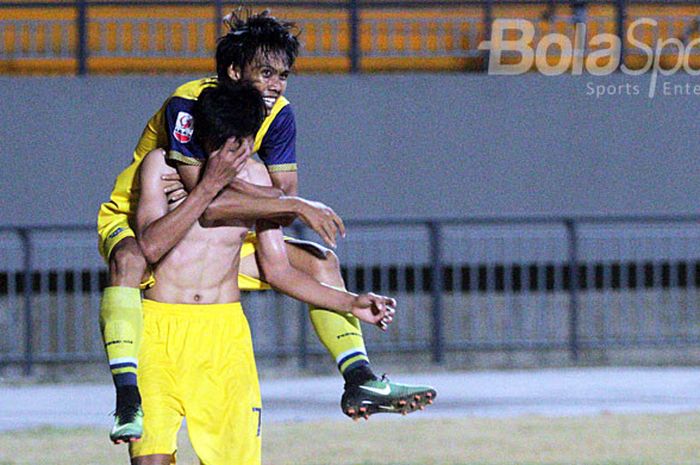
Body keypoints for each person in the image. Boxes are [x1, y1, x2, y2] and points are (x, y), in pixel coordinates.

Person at [97, 9, 435, 443]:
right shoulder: (189, 103)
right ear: (235, 72)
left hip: (216, 234)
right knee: (128, 260)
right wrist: (288, 201)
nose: (276, 84)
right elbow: (207, 197)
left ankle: (359, 377)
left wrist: (290, 208)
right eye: (266, 73)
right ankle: (128, 399)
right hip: (143, 219)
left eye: (283, 75)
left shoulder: (279, 113)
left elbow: (276, 202)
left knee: (320, 261)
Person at [131, 81, 397, 464]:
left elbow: (279, 271)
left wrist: (350, 301)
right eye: (224, 145)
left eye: (242, 144)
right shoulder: (162, 165)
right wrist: (207, 187)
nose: (235, 154)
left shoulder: (259, 184)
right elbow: (151, 247)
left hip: (223, 337)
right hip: (157, 331)